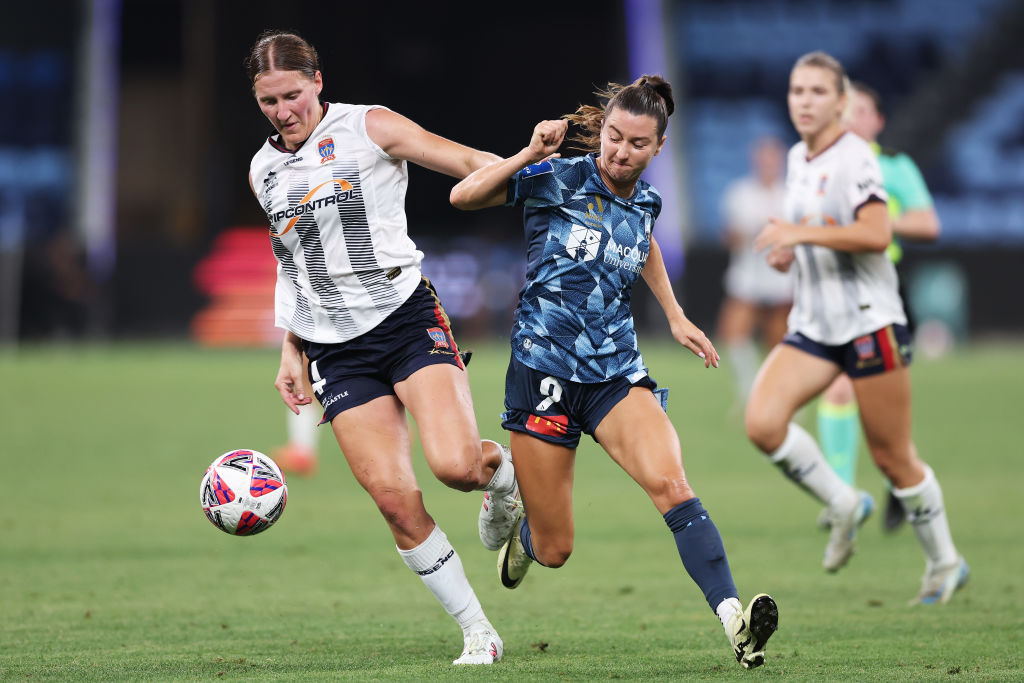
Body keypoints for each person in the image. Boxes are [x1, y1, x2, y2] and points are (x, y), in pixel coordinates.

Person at [450, 75, 779, 669]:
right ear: (600, 131)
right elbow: (464, 198)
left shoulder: (648, 199)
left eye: (636, 143)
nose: (620, 151)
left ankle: (735, 622)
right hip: (543, 374)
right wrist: (529, 153)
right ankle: (510, 495)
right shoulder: (559, 177)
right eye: (613, 137)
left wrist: (675, 316)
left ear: (658, 148)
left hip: (615, 374)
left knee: (673, 485)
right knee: (555, 549)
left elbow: (643, 238)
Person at [245, 31, 520, 665]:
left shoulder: (368, 127)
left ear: (316, 81)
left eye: (292, 94)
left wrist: (533, 167)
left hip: (405, 321)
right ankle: (478, 631)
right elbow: (294, 264)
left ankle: (499, 475)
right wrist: (293, 347)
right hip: (336, 351)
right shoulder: (264, 170)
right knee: (396, 503)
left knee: (455, 467)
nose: (284, 111)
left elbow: (462, 159)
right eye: (268, 101)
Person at [747, 51, 968, 604]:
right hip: (816, 327)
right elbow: (810, 234)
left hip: (871, 325)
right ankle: (843, 502)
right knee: (762, 422)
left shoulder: (858, 158)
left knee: (894, 458)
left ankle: (945, 562)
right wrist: (787, 254)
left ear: (842, 103)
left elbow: (873, 234)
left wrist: (799, 234)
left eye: (818, 92)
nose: (805, 101)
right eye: (798, 90)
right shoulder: (798, 157)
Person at [815, 81, 942, 531]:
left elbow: (928, 223)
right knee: (838, 389)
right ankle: (841, 497)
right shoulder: (824, 165)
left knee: (882, 405)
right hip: (833, 291)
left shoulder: (893, 166)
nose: (852, 117)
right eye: (846, 110)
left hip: (883, 294)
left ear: (878, 121)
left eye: (862, 110)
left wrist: (880, 220)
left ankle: (900, 480)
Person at [715, 136, 792, 404]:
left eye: (773, 158)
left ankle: (782, 398)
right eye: (763, 158)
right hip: (747, 275)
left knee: (779, 341)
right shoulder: (740, 193)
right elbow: (728, 235)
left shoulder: (790, 195)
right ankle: (749, 394)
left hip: (781, 278)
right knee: (734, 335)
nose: (768, 164)